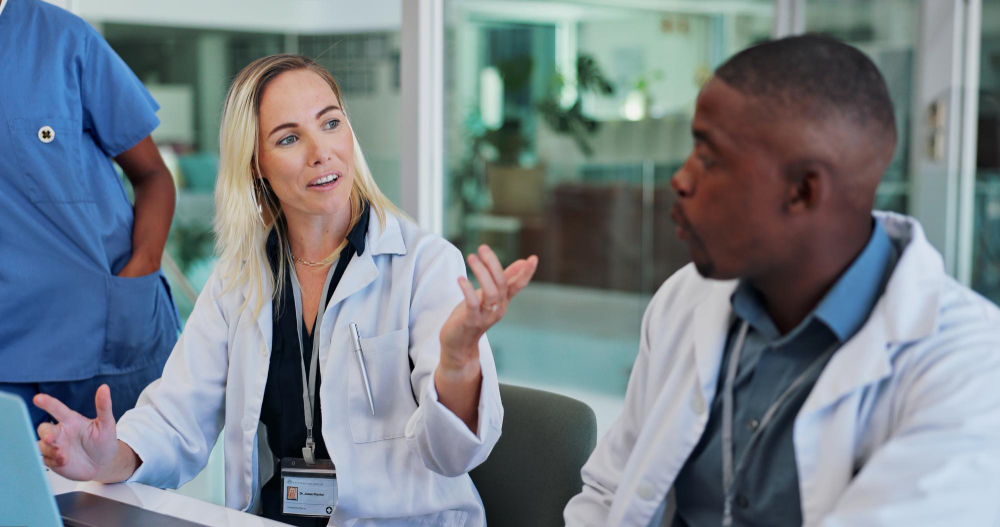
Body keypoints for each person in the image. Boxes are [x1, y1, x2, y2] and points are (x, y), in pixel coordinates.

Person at [33, 54, 538, 527]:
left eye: (331, 122)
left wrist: (456, 363)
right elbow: (174, 420)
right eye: (288, 138)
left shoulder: (425, 265)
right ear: (256, 164)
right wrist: (110, 456)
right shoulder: (239, 279)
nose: (322, 152)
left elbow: (454, 456)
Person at [564, 35, 1000, 526]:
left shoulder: (971, 369)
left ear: (802, 190)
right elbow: (609, 493)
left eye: (709, 157)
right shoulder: (685, 299)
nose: (681, 178)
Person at [0, 0, 179, 427]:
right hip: (8, 359)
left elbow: (153, 175)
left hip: (104, 337)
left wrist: (143, 267)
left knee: (127, 490)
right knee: (19, 493)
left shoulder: (62, 39)